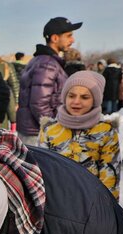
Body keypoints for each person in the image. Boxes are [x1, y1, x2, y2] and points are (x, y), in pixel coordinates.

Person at [39, 71, 120, 199]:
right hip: (56, 200)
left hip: (91, 201)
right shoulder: (50, 129)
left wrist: (108, 207)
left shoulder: (105, 130)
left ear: (95, 100)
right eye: (71, 96)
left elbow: (110, 174)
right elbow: (41, 169)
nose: (76, 102)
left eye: (84, 97)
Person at [17, 17, 82, 146]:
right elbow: (39, 104)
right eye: (69, 36)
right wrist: (54, 129)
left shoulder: (44, 61)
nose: (72, 40)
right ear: (55, 38)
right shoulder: (47, 64)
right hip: (37, 134)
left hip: (35, 132)